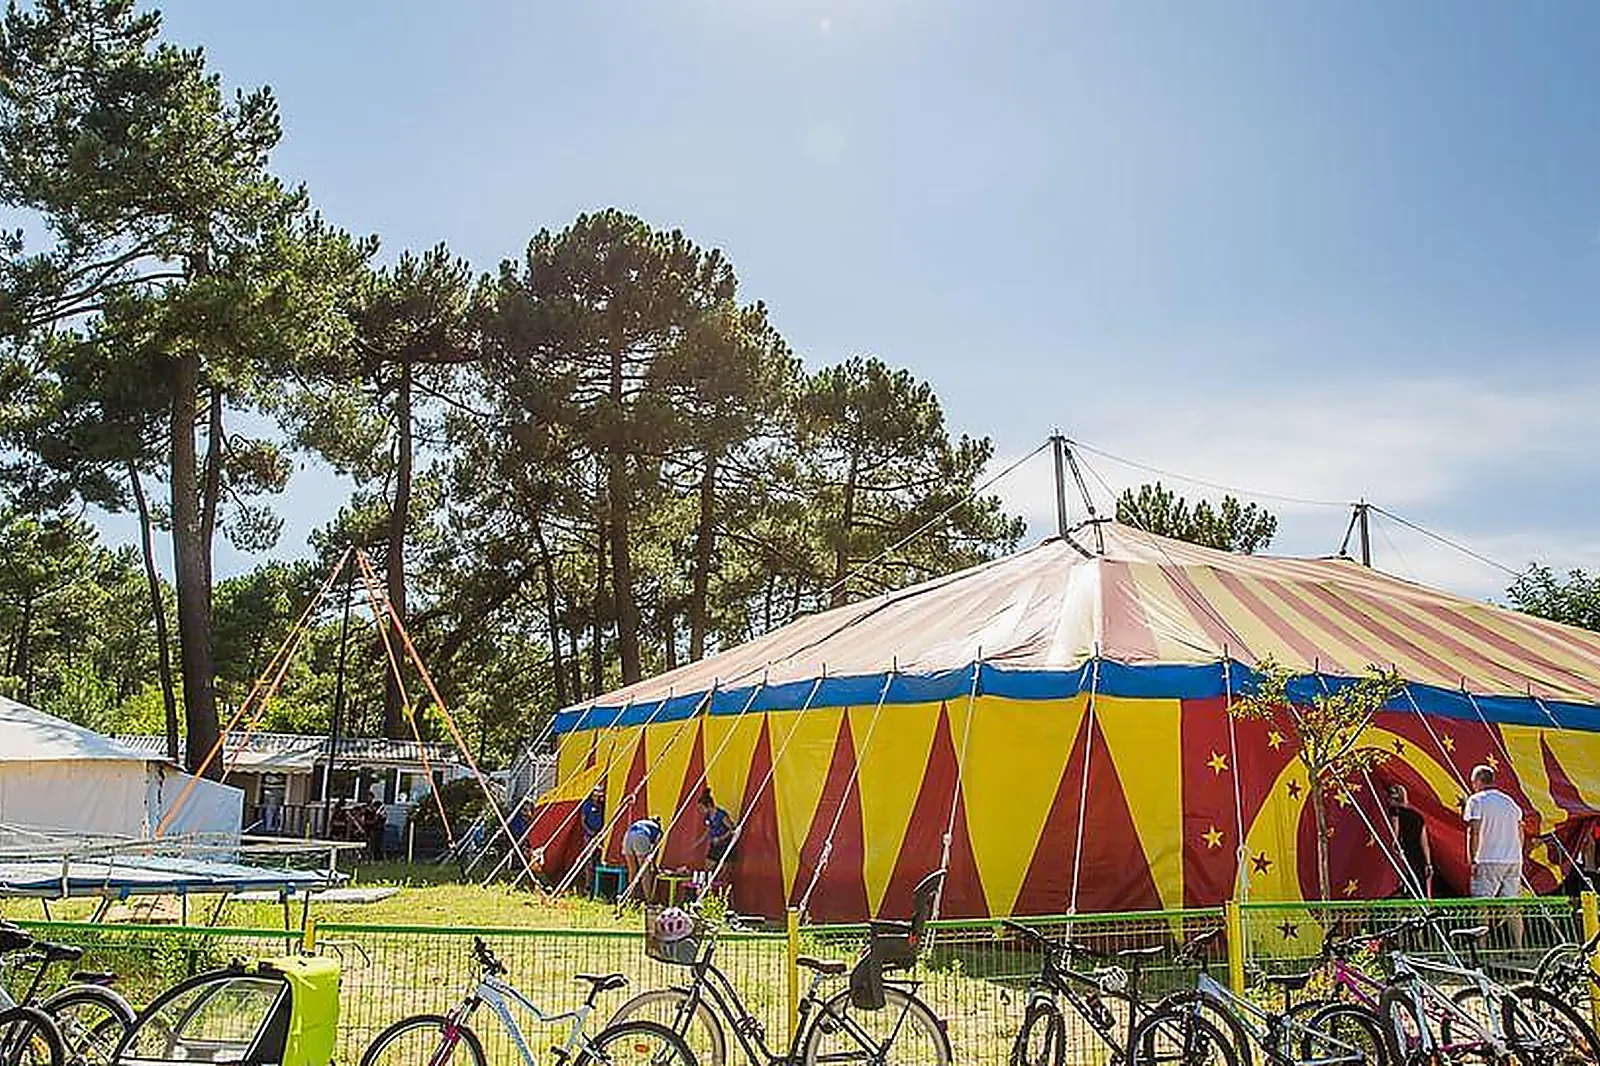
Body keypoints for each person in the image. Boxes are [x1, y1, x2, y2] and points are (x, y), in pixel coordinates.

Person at [1464, 763, 1524, 947]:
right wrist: (1517, 852)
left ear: (1476, 781)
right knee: (1512, 905)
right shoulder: (1510, 802)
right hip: (1513, 859)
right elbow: (1521, 831)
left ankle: (1481, 948)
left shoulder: (1476, 801)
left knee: (1482, 904)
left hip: (1488, 859)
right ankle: (1519, 947)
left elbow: (1473, 831)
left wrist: (1472, 859)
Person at [1387, 782, 1432, 897]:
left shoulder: (1395, 813)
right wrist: (1428, 863)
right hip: (1418, 857)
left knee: (1405, 889)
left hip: (1404, 856)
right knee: (1419, 890)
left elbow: (1394, 836)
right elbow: (1424, 843)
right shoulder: (1418, 817)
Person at [695, 790, 735, 879]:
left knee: (723, 872)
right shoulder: (708, 816)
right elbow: (708, 830)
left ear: (708, 805)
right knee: (707, 868)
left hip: (725, 845)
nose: (701, 811)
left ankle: (720, 890)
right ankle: (707, 887)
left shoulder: (721, 815)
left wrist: (720, 838)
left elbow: (732, 829)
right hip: (714, 845)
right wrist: (698, 842)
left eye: (702, 808)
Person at [622, 815, 663, 902]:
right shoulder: (658, 829)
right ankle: (649, 899)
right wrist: (654, 866)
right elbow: (656, 849)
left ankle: (630, 898)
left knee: (632, 871)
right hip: (641, 836)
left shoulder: (642, 822)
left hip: (628, 835)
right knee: (645, 871)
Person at [579, 785, 606, 895]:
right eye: (596, 793)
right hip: (589, 835)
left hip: (599, 836)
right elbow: (583, 821)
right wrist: (589, 831)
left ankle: (597, 886)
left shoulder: (602, 805)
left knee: (599, 860)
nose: (597, 795)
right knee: (588, 861)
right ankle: (588, 885)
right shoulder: (587, 805)